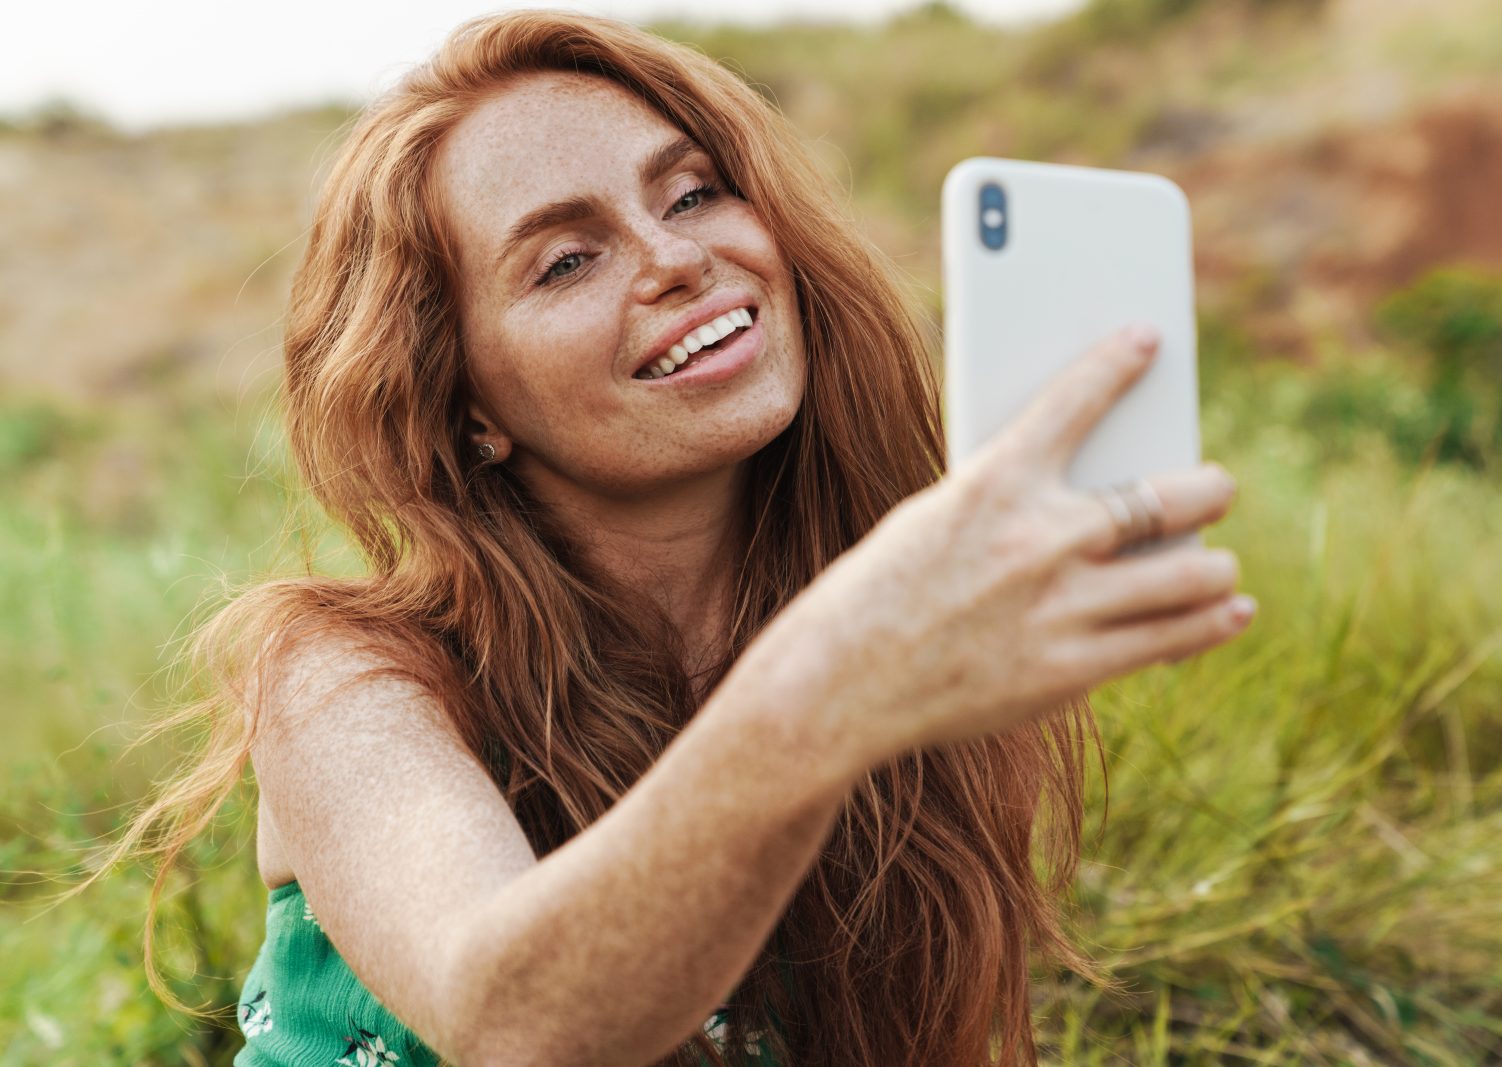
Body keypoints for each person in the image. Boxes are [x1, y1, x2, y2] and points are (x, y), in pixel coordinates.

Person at [97, 10, 1249, 1067]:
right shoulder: (343, 675)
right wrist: (835, 675)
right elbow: (514, 1017)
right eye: (565, 259)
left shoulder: (873, 618)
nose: (675, 257)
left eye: (692, 193)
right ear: (469, 408)